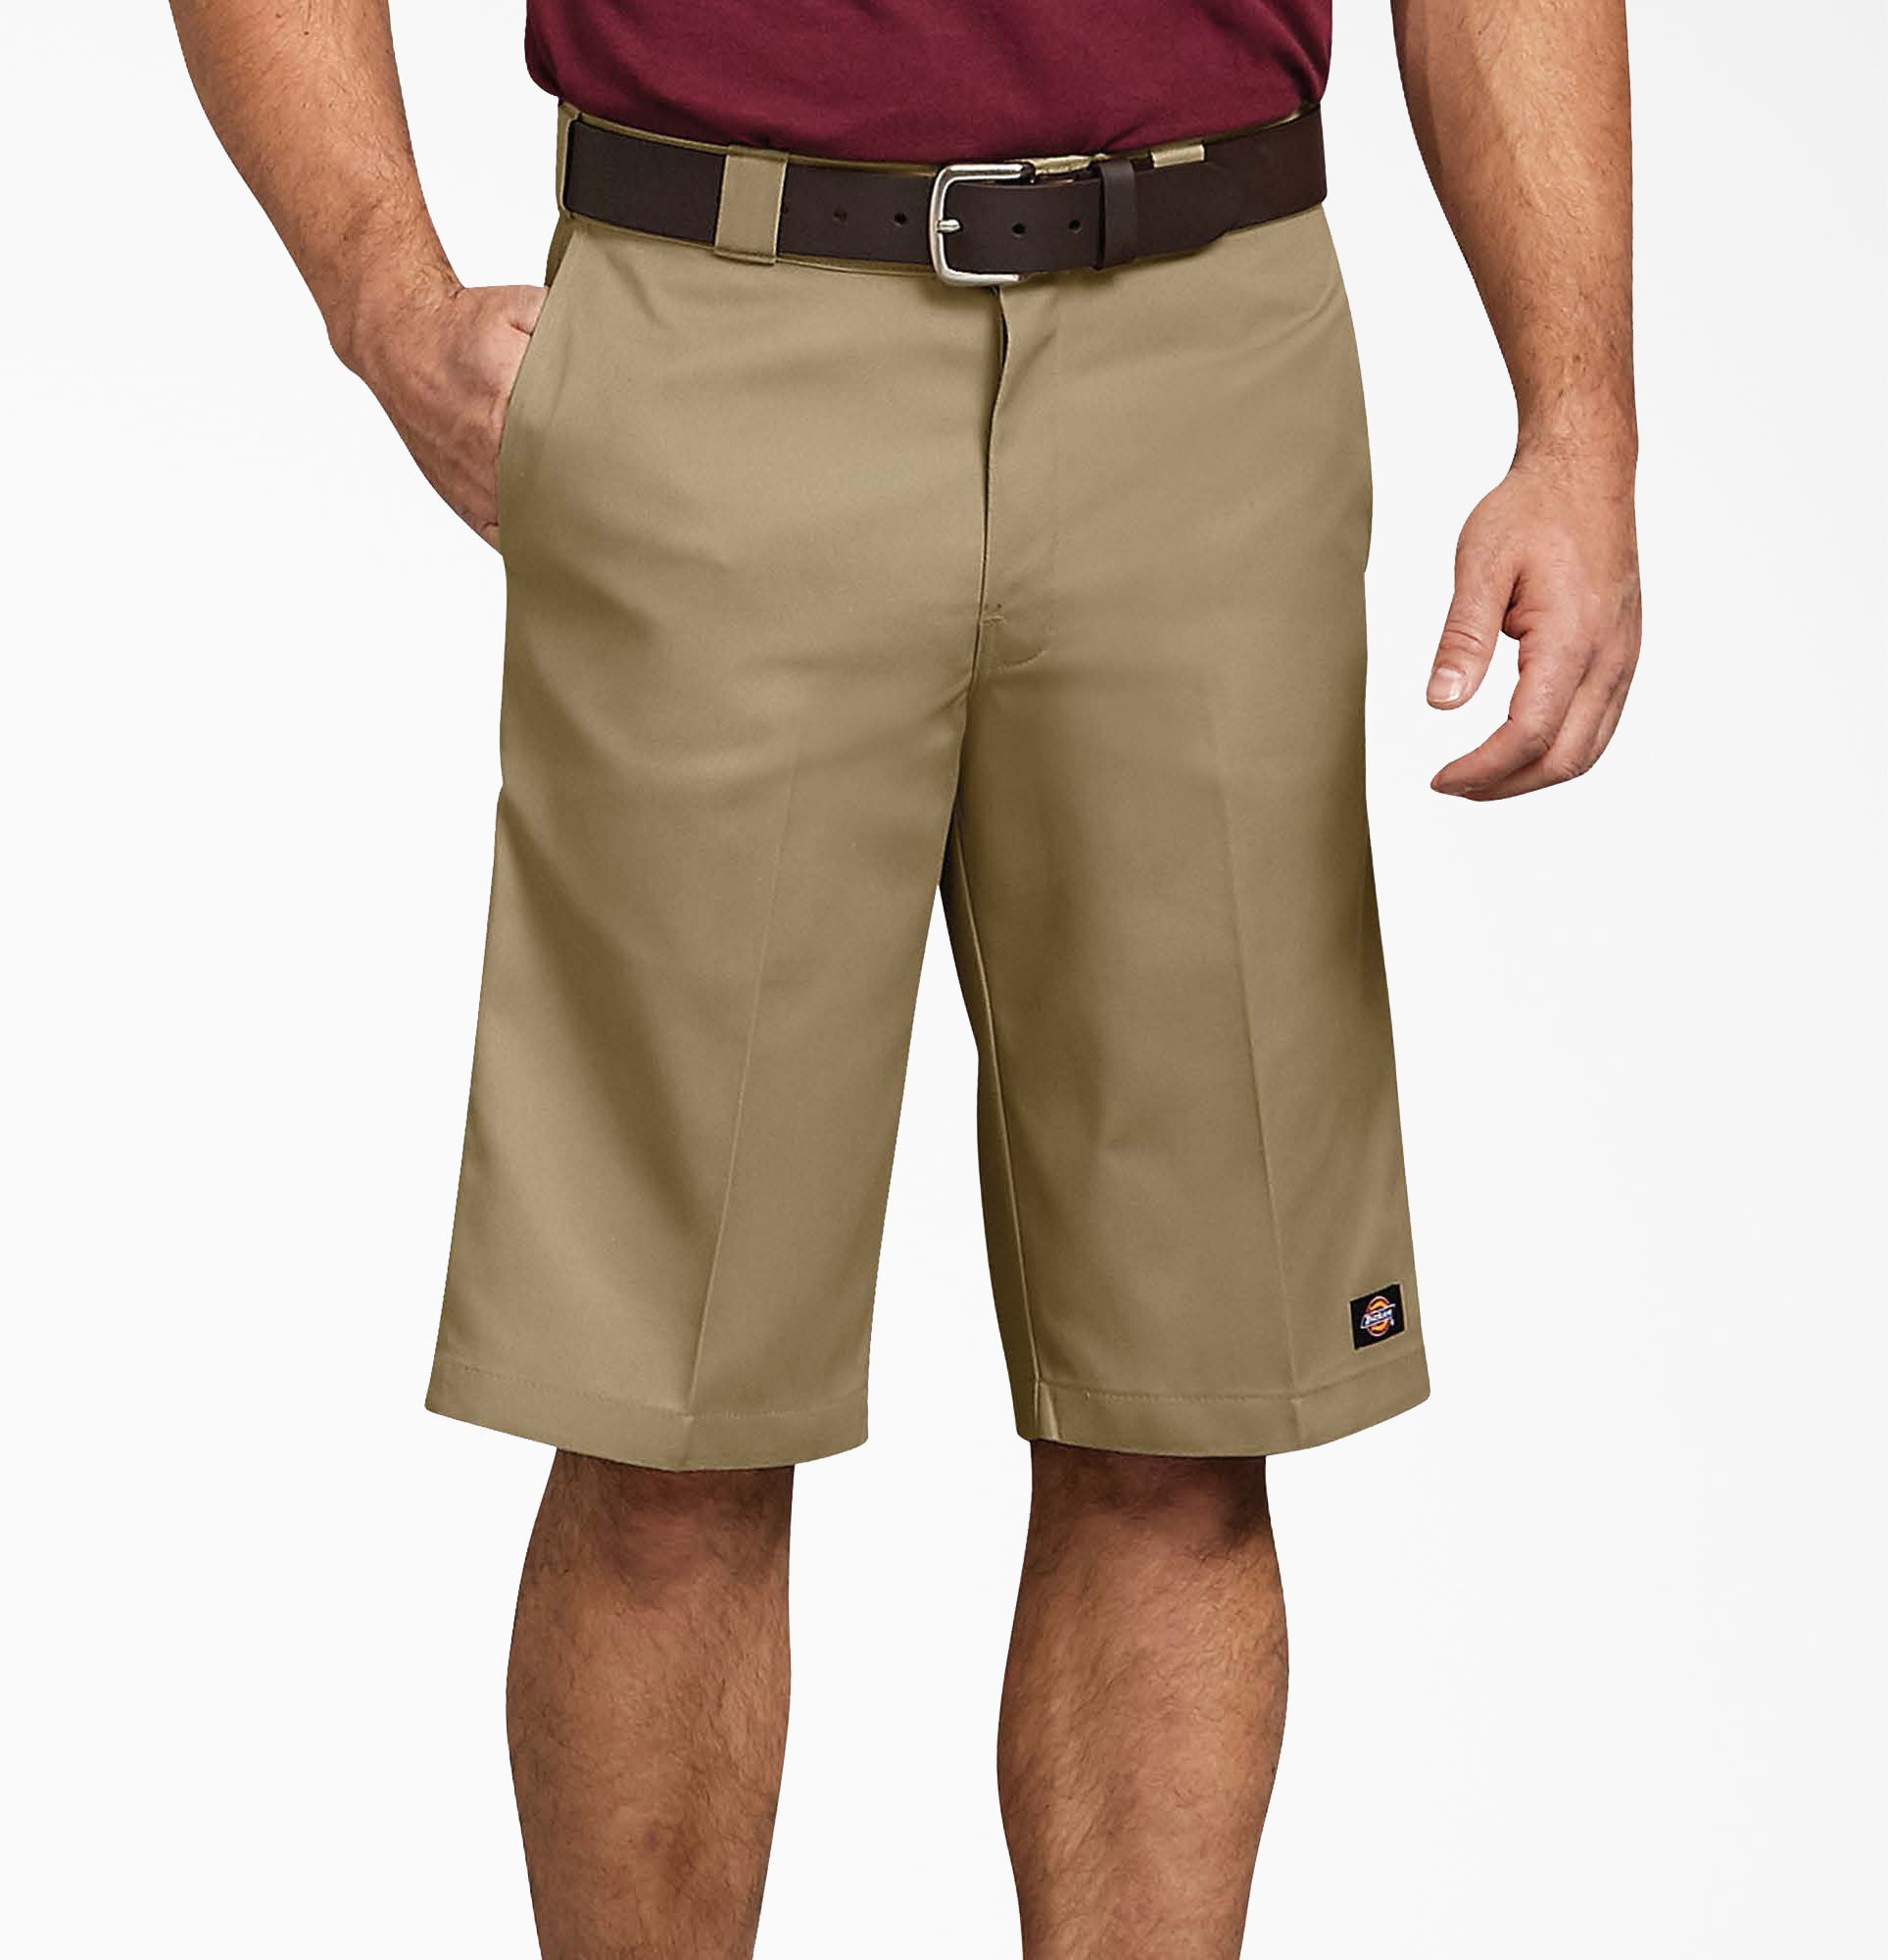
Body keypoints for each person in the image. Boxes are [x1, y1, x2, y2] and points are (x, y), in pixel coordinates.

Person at [170, 0, 1641, 1950]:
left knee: (1188, 1412)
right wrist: (381, 296)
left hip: (1210, 349)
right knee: (664, 1421)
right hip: (717, 308)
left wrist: (1577, 422)